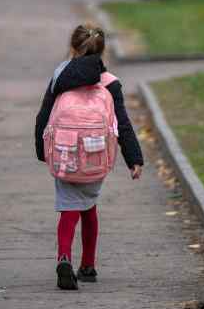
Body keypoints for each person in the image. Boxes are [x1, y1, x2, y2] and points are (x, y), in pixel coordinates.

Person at [34, 24, 144, 290]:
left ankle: (63, 258)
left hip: (64, 153)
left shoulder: (60, 76)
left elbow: (44, 115)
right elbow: (123, 123)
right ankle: (88, 265)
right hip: (95, 156)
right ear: (101, 51)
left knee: (69, 207)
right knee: (89, 206)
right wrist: (134, 159)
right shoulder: (110, 83)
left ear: (73, 47)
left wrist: (42, 150)